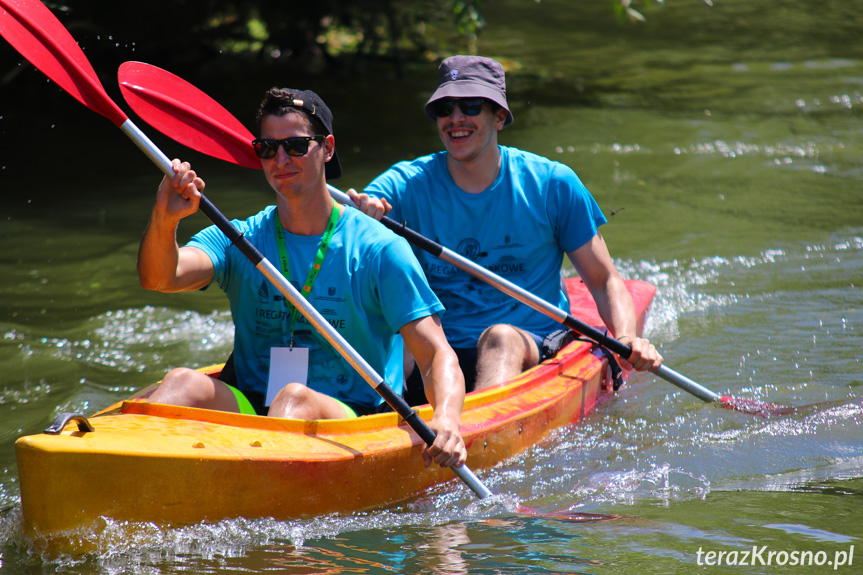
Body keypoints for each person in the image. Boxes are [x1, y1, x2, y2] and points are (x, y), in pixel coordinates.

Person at [138, 87, 466, 468]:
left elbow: (435, 354)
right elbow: (159, 277)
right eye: (267, 148)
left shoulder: (379, 249)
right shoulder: (241, 238)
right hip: (252, 406)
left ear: (326, 148)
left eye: (295, 145)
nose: (280, 159)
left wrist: (446, 418)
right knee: (180, 381)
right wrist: (165, 218)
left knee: (293, 398)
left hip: (350, 417)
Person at [349, 55, 663, 403]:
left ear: (499, 116)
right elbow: (346, 222)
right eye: (444, 108)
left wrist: (627, 337)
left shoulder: (552, 184)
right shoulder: (406, 183)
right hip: (436, 347)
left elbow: (604, 281)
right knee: (397, 338)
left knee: (499, 338)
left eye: (470, 106)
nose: (455, 119)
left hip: (526, 342)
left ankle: (483, 430)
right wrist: (364, 212)